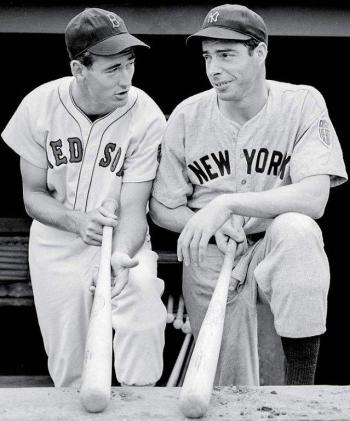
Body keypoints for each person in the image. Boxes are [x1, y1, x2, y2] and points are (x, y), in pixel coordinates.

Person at [151, 4, 347, 386]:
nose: (213, 69)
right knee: (228, 385)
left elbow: (314, 198)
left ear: (260, 53)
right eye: (208, 57)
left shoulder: (302, 102)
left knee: (298, 230)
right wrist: (204, 223)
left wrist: (226, 204)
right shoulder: (187, 115)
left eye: (226, 55)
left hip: (270, 243)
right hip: (213, 252)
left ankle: (300, 394)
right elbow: (161, 205)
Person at [2, 7, 167, 387]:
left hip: (122, 239)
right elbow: (33, 196)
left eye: (130, 64)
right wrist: (76, 220)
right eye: (112, 69)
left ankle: (140, 406)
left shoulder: (146, 115)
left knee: (142, 308)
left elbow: (133, 210)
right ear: (79, 69)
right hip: (57, 244)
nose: (126, 78)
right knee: (71, 369)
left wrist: (121, 258)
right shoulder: (39, 105)